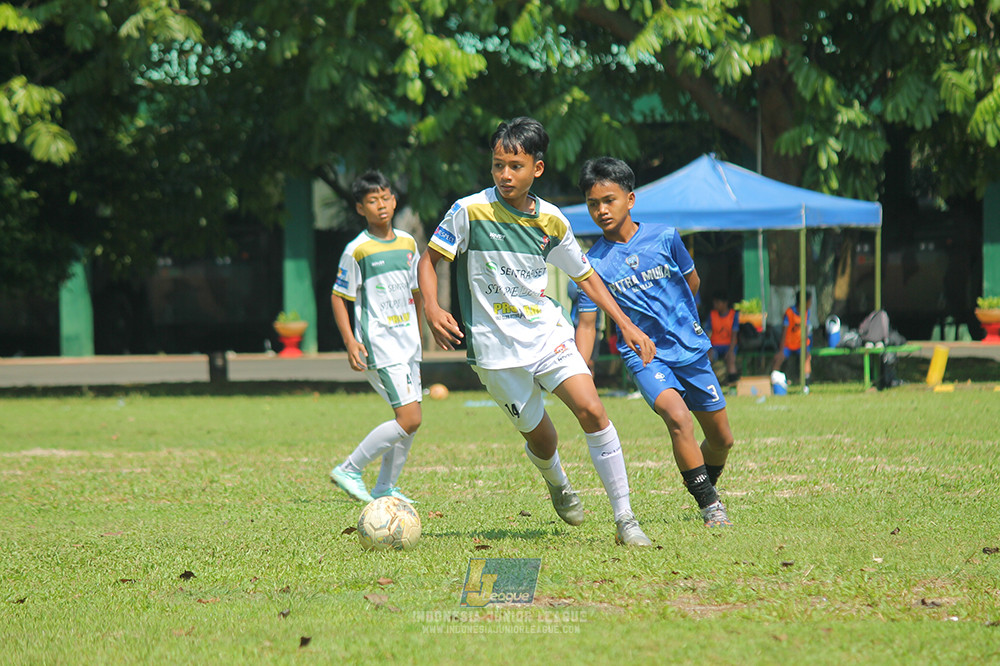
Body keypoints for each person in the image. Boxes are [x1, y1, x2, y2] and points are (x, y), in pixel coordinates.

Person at [417, 117, 657, 546]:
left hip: (547, 333)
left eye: (515, 166)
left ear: (537, 169)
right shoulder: (469, 210)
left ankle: (625, 520)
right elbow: (429, 260)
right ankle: (558, 482)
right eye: (497, 165)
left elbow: (586, 277)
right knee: (544, 439)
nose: (505, 175)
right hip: (495, 351)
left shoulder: (551, 220)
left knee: (593, 411)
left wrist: (626, 325)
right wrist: (432, 307)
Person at [574, 156, 735, 527]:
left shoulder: (665, 237)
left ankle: (701, 481)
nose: (601, 210)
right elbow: (586, 323)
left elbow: (691, 283)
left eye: (609, 200)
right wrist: (583, 369)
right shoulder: (590, 264)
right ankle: (711, 507)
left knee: (722, 439)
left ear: (630, 199)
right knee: (678, 418)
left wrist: (678, 319)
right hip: (645, 357)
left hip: (690, 350)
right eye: (593, 204)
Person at [329, 170, 422, 504]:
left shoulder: (409, 243)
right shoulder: (358, 250)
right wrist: (351, 342)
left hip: (409, 345)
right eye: (372, 201)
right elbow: (339, 296)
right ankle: (350, 469)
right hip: (381, 346)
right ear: (360, 208)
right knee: (409, 418)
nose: (380, 206)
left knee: (411, 420)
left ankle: (385, 487)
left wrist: (424, 330)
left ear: (395, 201)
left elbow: (416, 290)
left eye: (385, 198)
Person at [772, 290, 812, 387]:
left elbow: (806, 330)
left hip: (800, 345)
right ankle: (773, 382)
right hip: (788, 346)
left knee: (807, 357)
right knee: (779, 359)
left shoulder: (807, 313)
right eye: (809, 301)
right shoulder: (789, 313)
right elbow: (784, 332)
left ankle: (805, 385)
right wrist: (781, 350)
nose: (810, 304)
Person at [708, 292, 740, 385]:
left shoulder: (733, 315)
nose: (715, 305)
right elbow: (707, 333)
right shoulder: (712, 315)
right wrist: (708, 349)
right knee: (707, 359)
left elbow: (734, 335)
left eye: (717, 302)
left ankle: (732, 384)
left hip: (728, 345)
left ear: (725, 303)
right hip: (715, 346)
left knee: (731, 359)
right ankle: (710, 384)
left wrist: (731, 350)